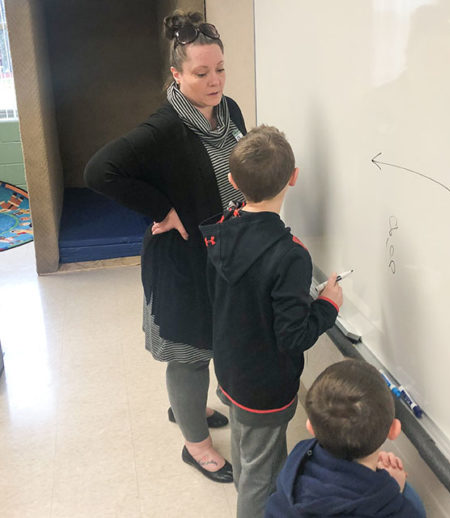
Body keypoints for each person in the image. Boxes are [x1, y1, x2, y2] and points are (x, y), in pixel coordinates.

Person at [84, 11, 245, 483]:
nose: (214, 81)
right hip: (183, 262)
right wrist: (160, 209)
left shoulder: (228, 109)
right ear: (176, 75)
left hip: (223, 255)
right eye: (201, 73)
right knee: (190, 352)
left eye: (219, 69)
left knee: (213, 343)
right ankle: (195, 446)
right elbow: (99, 171)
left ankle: (189, 409)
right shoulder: (164, 128)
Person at [199, 125, 343, 517]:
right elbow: (292, 335)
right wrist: (327, 305)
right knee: (262, 477)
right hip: (264, 387)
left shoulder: (220, 231)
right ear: (293, 178)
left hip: (231, 368)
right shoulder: (290, 254)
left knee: (250, 454)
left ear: (232, 181)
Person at [265, 359, 427, 517]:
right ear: (393, 430)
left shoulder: (295, 466)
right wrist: (393, 490)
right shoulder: (399, 510)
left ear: (310, 427)